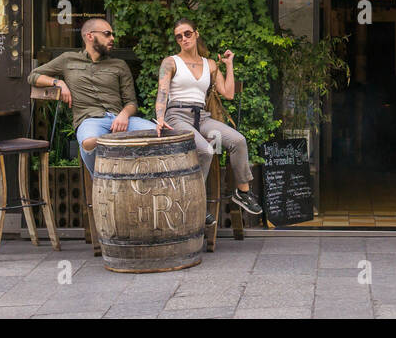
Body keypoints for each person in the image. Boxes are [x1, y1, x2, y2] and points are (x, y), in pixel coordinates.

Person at [157, 18, 263, 218]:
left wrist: (229, 65)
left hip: (202, 116)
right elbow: (162, 92)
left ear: (196, 34)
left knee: (238, 140)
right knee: (206, 150)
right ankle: (196, 204)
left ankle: (242, 192)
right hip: (176, 116)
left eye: (187, 34)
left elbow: (228, 93)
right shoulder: (171, 62)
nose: (184, 39)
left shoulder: (211, 64)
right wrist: (159, 117)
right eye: (179, 36)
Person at [27, 18, 155, 173]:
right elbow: (33, 76)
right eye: (107, 34)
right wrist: (58, 82)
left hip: (120, 120)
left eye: (112, 35)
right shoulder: (68, 59)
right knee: (88, 142)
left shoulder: (119, 65)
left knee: (159, 135)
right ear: (89, 36)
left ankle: (135, 172)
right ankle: (104, 179)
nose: (112, 39)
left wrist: (123, 115)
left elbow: (131, 103)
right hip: (89, 120)